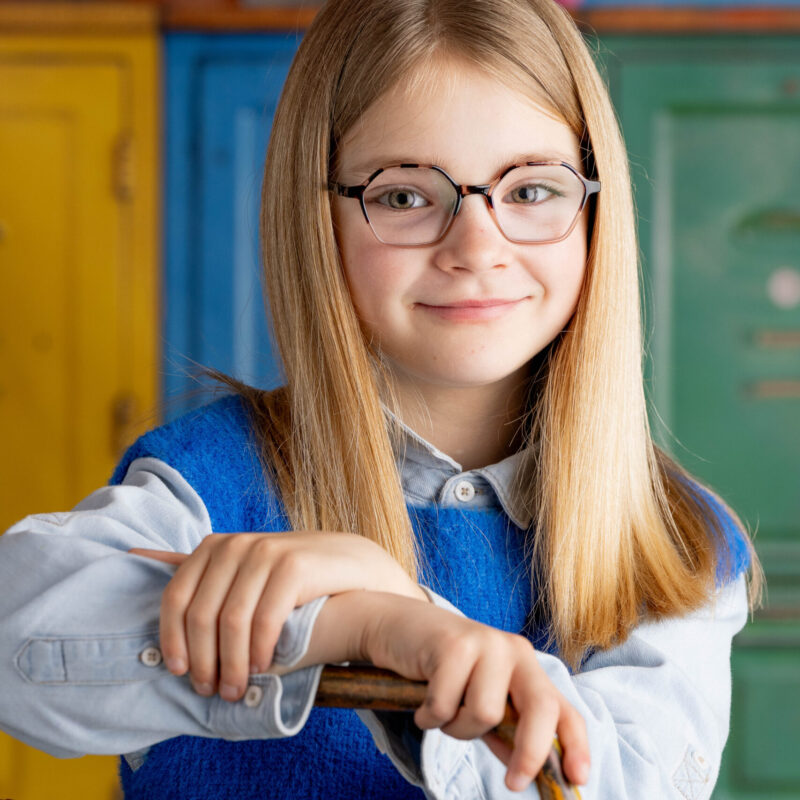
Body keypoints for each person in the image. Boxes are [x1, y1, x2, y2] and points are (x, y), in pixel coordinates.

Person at [0, 0, 760, 797]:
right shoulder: (208, 481)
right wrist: (359, 622)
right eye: (404, 196)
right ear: (314, 219)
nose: (477, 247)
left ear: (594, 214)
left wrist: (414, 614)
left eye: (532, 190)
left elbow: (621, 781)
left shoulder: (673, 543)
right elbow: (21, 635)